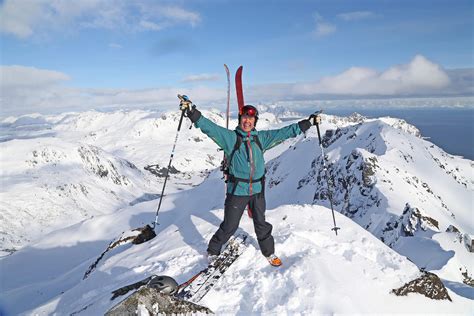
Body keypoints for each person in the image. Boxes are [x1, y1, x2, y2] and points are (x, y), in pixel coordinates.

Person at [179, 96, 320, 266]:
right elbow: (211, 128)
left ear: (255, 121)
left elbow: (284, 133)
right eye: (244, 118)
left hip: (258, 191)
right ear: (240, 120)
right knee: (230, 226)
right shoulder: (231, 139)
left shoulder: (261, 138)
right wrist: (192, 112)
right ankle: (213, 250)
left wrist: (308, 123)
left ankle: (269, 253)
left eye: (251, 119)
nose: (247, 121)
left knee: (261, 223)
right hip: (237, 190)